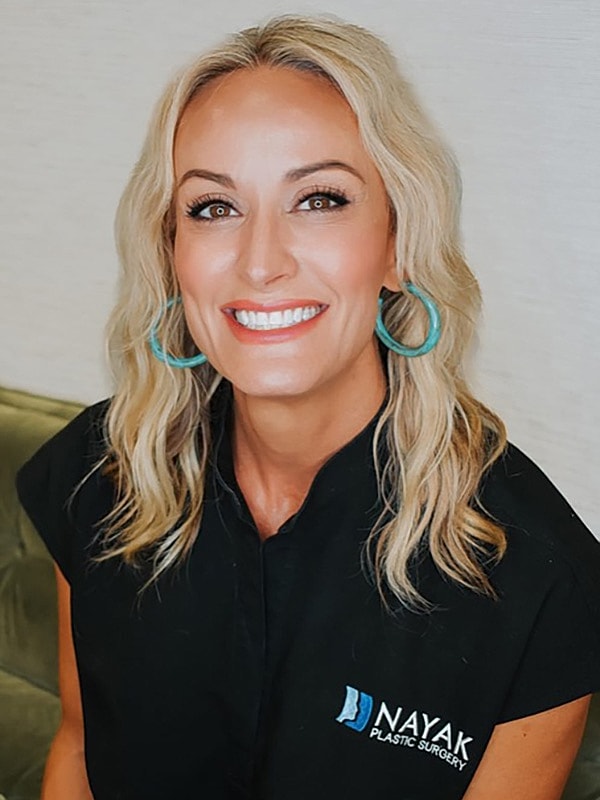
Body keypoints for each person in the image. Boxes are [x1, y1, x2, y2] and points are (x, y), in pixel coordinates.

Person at [16, 14, 600, 800]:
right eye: (213, 208)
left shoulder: (540, 575)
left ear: (397, 243)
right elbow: (81, 752)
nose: (260, 262)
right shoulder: (99, 472)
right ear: (170, 254)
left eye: (320, 198)